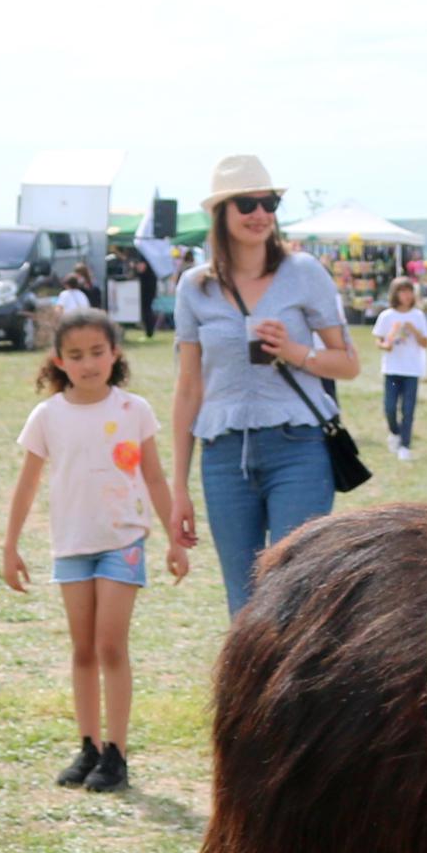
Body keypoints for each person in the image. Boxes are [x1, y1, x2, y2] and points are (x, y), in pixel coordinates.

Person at [0, 308, 189, 795]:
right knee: (82, 650)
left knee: (110, 646)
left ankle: (116, 753)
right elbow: (26, 484)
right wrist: (11, 545)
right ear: (59, 361)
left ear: (115, 354)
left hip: (122, 542)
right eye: (77, 356)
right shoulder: (48, 415)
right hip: (71, 546)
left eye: (97, 353)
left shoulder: (134, 411)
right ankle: (87, 746)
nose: (88, 364)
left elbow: (154, 476)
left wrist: (173, 538)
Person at [168, 156, 358, 612]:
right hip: (224, 456)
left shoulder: (304, 272)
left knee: (293, 591)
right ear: (221, 213)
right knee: (243, 600)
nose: (260, 214)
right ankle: (249, 687)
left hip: (299, 448)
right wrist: (178, 487)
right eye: (246, 203)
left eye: (268, 202)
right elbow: (189, 387)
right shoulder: (194, 287)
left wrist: (295, 351)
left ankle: (297, 686)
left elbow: (348, 363)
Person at [371, 277, 427, 453]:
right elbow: (379, 339)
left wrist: (414, 330)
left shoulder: (418, 316)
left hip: (412, 370)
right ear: (395, 294)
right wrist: (385, 346)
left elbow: (425, 343)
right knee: (389, 406)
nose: (406, 295)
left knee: (408, 408)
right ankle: (394, 432)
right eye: (402, 291)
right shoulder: (387, 316)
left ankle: (405, 445)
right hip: (392, 369)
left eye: (409, 291)